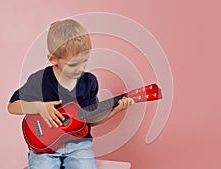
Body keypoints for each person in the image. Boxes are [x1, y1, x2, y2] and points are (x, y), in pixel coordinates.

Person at [8, 19, 133, 169]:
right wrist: (39, 107)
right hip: (44, 147)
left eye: (84, 61)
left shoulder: (89, 82)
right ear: (53, 59)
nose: (80, 68)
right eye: (73, 64)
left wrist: (116, 110)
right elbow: (12, 106)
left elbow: (91, 119)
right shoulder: (39, 80)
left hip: (79, 146)